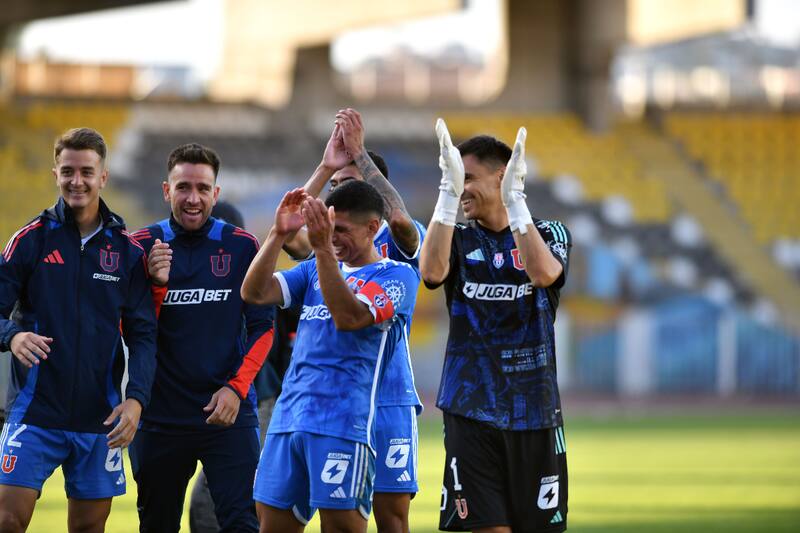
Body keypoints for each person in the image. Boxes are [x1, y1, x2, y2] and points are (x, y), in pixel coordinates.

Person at [0, 127, 157, 532]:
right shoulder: (30, 241)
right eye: (68, 170)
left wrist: (136, 400)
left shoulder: (127, 252)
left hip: (99, 420)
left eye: (87, 171)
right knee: (7, 520)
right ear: (56, 173)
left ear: (102, 176)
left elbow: (143, 336)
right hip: (34, 412)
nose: (77, 181)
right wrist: (12, 335)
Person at [241, 180, 420, 533]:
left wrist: (322, 250)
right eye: (327, 229)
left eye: (341, 230)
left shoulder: (397, 276)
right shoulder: (311, 271)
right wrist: (278, 235)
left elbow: (349, 317)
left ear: (372, 228)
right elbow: (254, 291)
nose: (331, 237)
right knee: (269, 526)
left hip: (343, 425)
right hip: (288, 419)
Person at [419, 121, 572, 532]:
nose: (461, 186)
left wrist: (515, 202)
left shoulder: (549, 232)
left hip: (535, 414)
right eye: (454, 177)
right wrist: (447, 194)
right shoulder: (458, 239)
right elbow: (431, 273)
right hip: (472, 414)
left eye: (467, 177)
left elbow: (542, 274)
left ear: (503, 177)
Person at [283, 108, 424, 533]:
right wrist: (325, 167)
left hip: (389, 394)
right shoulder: (332, 247)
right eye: (334, 186)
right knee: (335, 514)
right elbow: (289, 235)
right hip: (335, 400)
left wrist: (359, 154)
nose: (335, 194)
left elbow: (402, 223)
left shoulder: (396, 237)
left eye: (347, 184)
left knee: (391, 516)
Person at [128, 144, 275, 533]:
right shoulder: (140, 246)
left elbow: (264, 328)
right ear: (166, 190)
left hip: (227, 415)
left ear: (216, 193)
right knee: (157, 525)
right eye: (183, 187)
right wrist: (156, 289)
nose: (193, 198)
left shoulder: (243, 246)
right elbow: (128, 330)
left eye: (202, 188)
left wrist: (236, 389)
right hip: (160, 417)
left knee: (243, 524)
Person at [188, 201, 287, 533]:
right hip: (216, 400)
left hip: (256, 402)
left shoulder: (257, 287)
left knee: (217, 499)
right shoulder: (192, 283)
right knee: (212, 500)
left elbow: (276, 342)